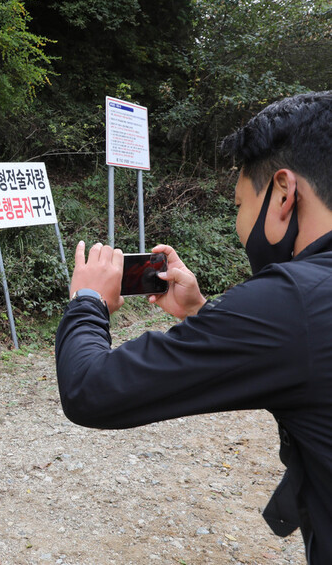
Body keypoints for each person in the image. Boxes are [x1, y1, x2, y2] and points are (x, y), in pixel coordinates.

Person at [55, 91, 332, 562]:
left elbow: (90, 389)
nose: (241, 226)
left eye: (241, 205)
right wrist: (202, 312)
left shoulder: (294, 300)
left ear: (284, 193)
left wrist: (87, 302)